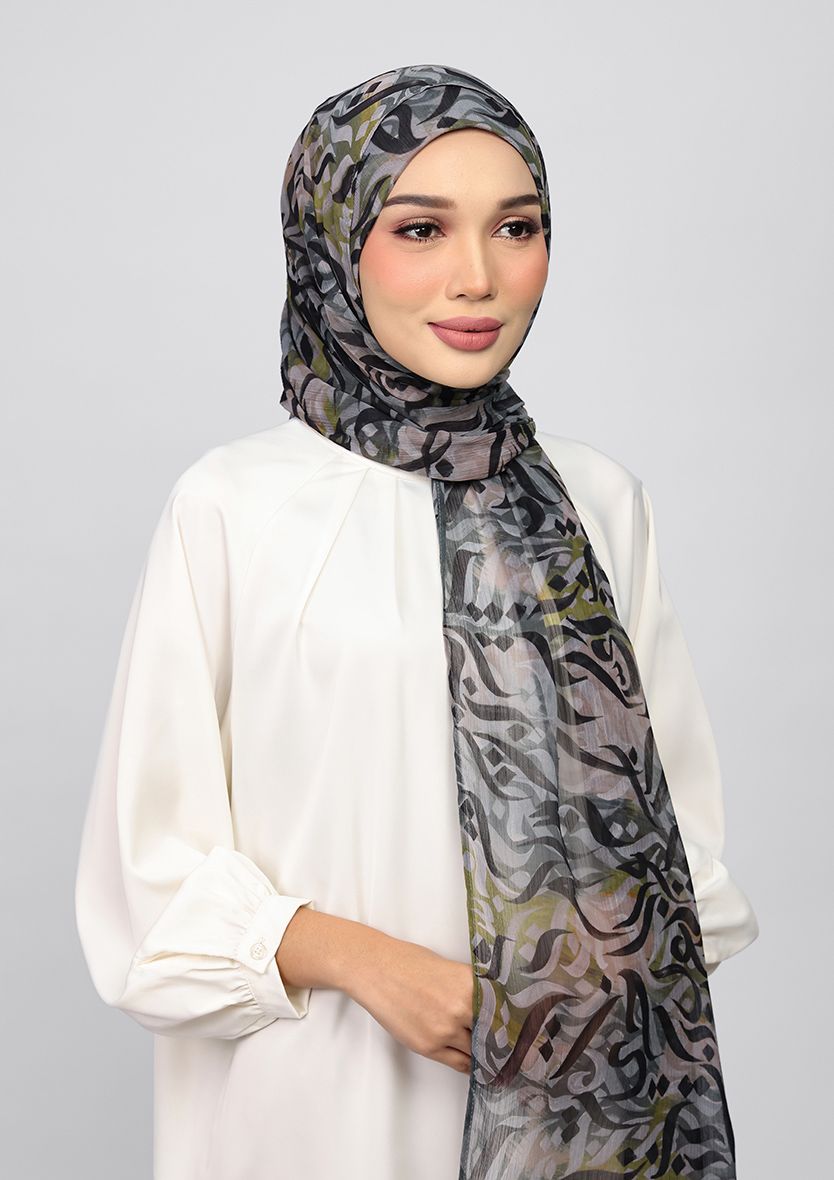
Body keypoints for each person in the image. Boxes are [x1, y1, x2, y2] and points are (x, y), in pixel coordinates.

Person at [75, 64, 759, 1180]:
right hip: (320, 1099)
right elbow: (146, 877)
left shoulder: (597, 502)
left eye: (516, 227)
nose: (477, 276)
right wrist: (365, 962)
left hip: (574, 1105)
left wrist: (567, 979)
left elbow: (678, 857)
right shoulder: (232, 507)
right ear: (334, 242)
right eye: (421, 228)